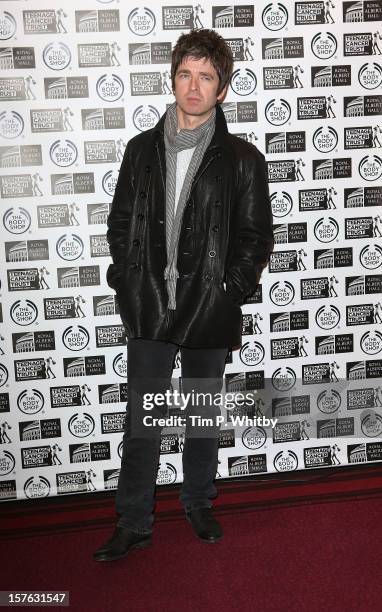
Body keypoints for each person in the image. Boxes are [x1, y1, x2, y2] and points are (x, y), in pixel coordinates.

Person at [93, 29, 274, 562]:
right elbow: (121, 221)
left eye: (207, 77)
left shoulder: (243, 159)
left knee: (199, 415)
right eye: (185, 74)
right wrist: (128, 284)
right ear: (173, 79)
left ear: (222, 89)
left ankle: (197, 502)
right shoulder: (140, 150)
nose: (193, 87)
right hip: (149, 301)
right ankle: (133, 521)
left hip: (208, 306)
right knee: (142, 418)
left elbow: (255, 237)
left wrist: (228, 293)